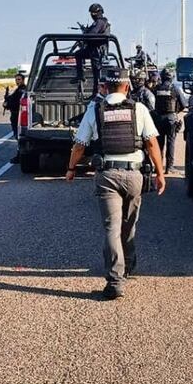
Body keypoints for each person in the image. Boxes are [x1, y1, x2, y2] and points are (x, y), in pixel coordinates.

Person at [66, 68, 165, 300]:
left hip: (107, 175)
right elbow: (152, 144)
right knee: (129, 226)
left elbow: (80, 145)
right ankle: (128, 265)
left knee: (112, 228)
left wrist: (71, 168)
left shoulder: (95, 110)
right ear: (127, 87)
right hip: (134, 176)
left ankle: (115, 281)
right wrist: (161, 173)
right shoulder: (138, 109)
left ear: (104, 88)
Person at [153, 68, 189, 174]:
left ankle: (158, 167)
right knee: (171, 143)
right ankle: (169, 167)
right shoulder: (175, 89)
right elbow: (183, 104)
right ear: (172, 77)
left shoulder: (156, 88)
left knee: (159, 144)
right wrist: (175, 112)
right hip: (170, 119)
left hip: (158, 119)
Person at [72, 3, 111, 95]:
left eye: (94, 13)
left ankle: (95, 93)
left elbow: (93, 33)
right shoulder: (98, 22)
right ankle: (80, 76)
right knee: (78, 54)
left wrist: (86, 33)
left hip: (97, 51)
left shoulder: (100, 22)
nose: (92, 15)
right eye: (91, 13)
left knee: (96, 74)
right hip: (92, 49)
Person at [3, 72, 27, 143]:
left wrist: (7, 104)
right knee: (17, 133)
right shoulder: (19, 89)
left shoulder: (21, 90)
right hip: (16, 114)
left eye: (19, 79)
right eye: (16, 80)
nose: (17, 81)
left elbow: (15, 102)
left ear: (23, 80)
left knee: (18, 134)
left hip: (17, 114)